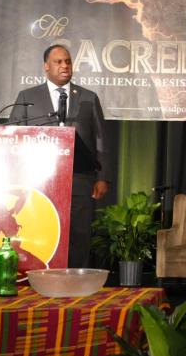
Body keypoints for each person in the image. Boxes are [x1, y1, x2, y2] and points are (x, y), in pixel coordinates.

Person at [9, 43, 110, 268]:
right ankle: (40, 277)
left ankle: (76, 281)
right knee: (41, 230)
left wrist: (103, 177)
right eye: (58, 62)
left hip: (79, 179)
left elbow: (101, 139)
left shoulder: (88, 97)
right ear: (46, 66)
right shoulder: (27, 96)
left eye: (68, 62)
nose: (65, 66)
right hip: (38, 180)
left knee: (78, 234)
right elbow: (14, 135)